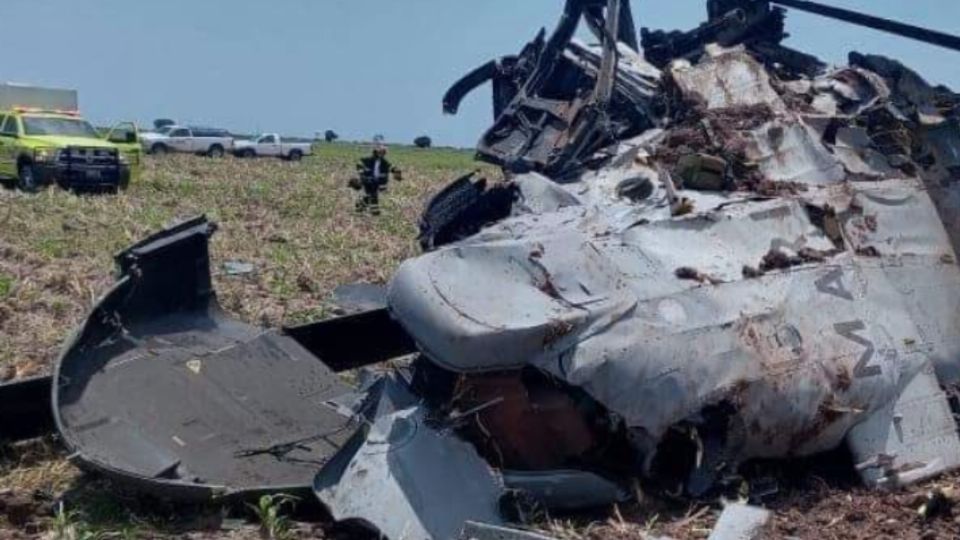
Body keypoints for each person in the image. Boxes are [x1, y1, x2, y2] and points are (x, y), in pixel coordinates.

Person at [353, 144, 400, 215]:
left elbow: (391, 167)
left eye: (383, 152)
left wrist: (396, 171)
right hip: (367, 180)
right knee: (373, 195)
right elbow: (359, 164)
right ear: (375, 152)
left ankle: (360, 206)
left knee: (369, 195)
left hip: (377, 181)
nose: (382, 154)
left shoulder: (384, 162)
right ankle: (374, 211)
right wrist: (361, 173)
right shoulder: (368, 160)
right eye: (380, 152)